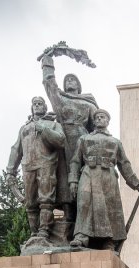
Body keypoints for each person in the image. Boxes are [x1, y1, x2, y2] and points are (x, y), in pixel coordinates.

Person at [69, 109, 139, 250]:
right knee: (84, 203)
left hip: (107, 176)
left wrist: (137, 184)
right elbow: (75, 161)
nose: (99, 119)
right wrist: (73, 180)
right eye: (96, 117)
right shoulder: (84, 139)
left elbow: (124, 164)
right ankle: (81, 236)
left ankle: (108, 241)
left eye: (102, 117)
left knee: (109, 207)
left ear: (107, 121)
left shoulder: (115, 142)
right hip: (88, 173)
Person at [41, 54, 98, 221]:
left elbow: (97, 126)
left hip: (83, 142)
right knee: (64, 177)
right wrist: (47, 63)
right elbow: (49, 85)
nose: (69, 82)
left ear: (79, 85)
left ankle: (85, 218)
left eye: (73, 80)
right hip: (63, 140)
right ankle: (68, 216)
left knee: (85, 177)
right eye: (67, 80)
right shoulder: (60, 100)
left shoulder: (89, 103)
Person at [6, 97, 65, 239]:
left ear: (45, 107)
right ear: (31, 108)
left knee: (46, 199)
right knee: (30, 202)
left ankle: (44, 231)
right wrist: (10, 171)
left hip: (46, 164)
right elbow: (16, 149)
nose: (37, 106)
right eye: (35, 104)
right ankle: (34, 232)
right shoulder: (24, 127)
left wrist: (44, 130)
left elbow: (61, 141)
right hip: (28, 166)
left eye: (40, 104)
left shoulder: (52, 124)